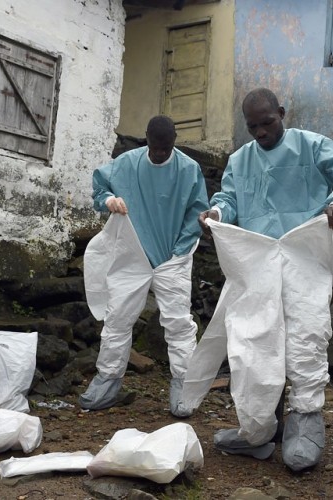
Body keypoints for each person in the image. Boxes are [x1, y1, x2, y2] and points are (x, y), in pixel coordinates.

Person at [196, 88, 333, 471]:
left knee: (305, 335)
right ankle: (258, 430)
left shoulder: (310, 146)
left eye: (267, 123)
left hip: (305, 258)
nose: (260, 133)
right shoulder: (240, 160)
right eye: (252, 127)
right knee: (254, 342)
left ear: (282, 114)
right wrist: (218, 214)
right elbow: (229, 198)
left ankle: (305, 423)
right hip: (258, 264)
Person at [78, 115, 209, 414]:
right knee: (118, 318)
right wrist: (108, 199)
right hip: (132, 253)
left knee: (177, 323)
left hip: (172, 258)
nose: (160, 153)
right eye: (155, 147)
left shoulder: (188, 170)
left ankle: (183, 386)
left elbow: (197, 212)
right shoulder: (127, 163)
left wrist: (179, 250)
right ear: (146, 138)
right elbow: (100, 188)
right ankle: (108, 380)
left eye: (166, 148)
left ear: (174, 141)